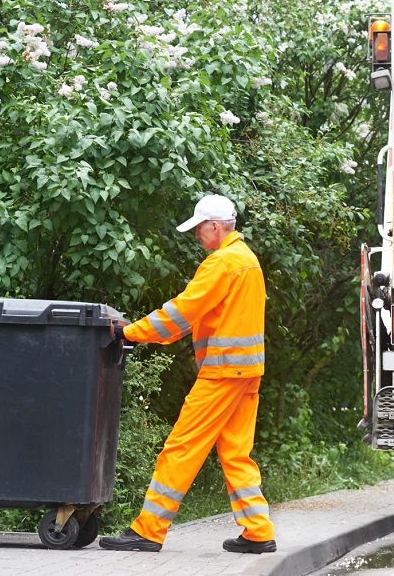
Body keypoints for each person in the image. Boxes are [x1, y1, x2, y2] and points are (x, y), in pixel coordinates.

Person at [100, 194, 277, 554]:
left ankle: (148, 530)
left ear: (215, 226)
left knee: (181, 447)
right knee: (236, 453)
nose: (197, 235)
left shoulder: (222, 262)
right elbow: (197, 316)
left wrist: (130, 332)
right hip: (247, 372)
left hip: (222, 372)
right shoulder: (248, 260)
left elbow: (182, 312)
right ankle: (258, 531)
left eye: (199, 228)